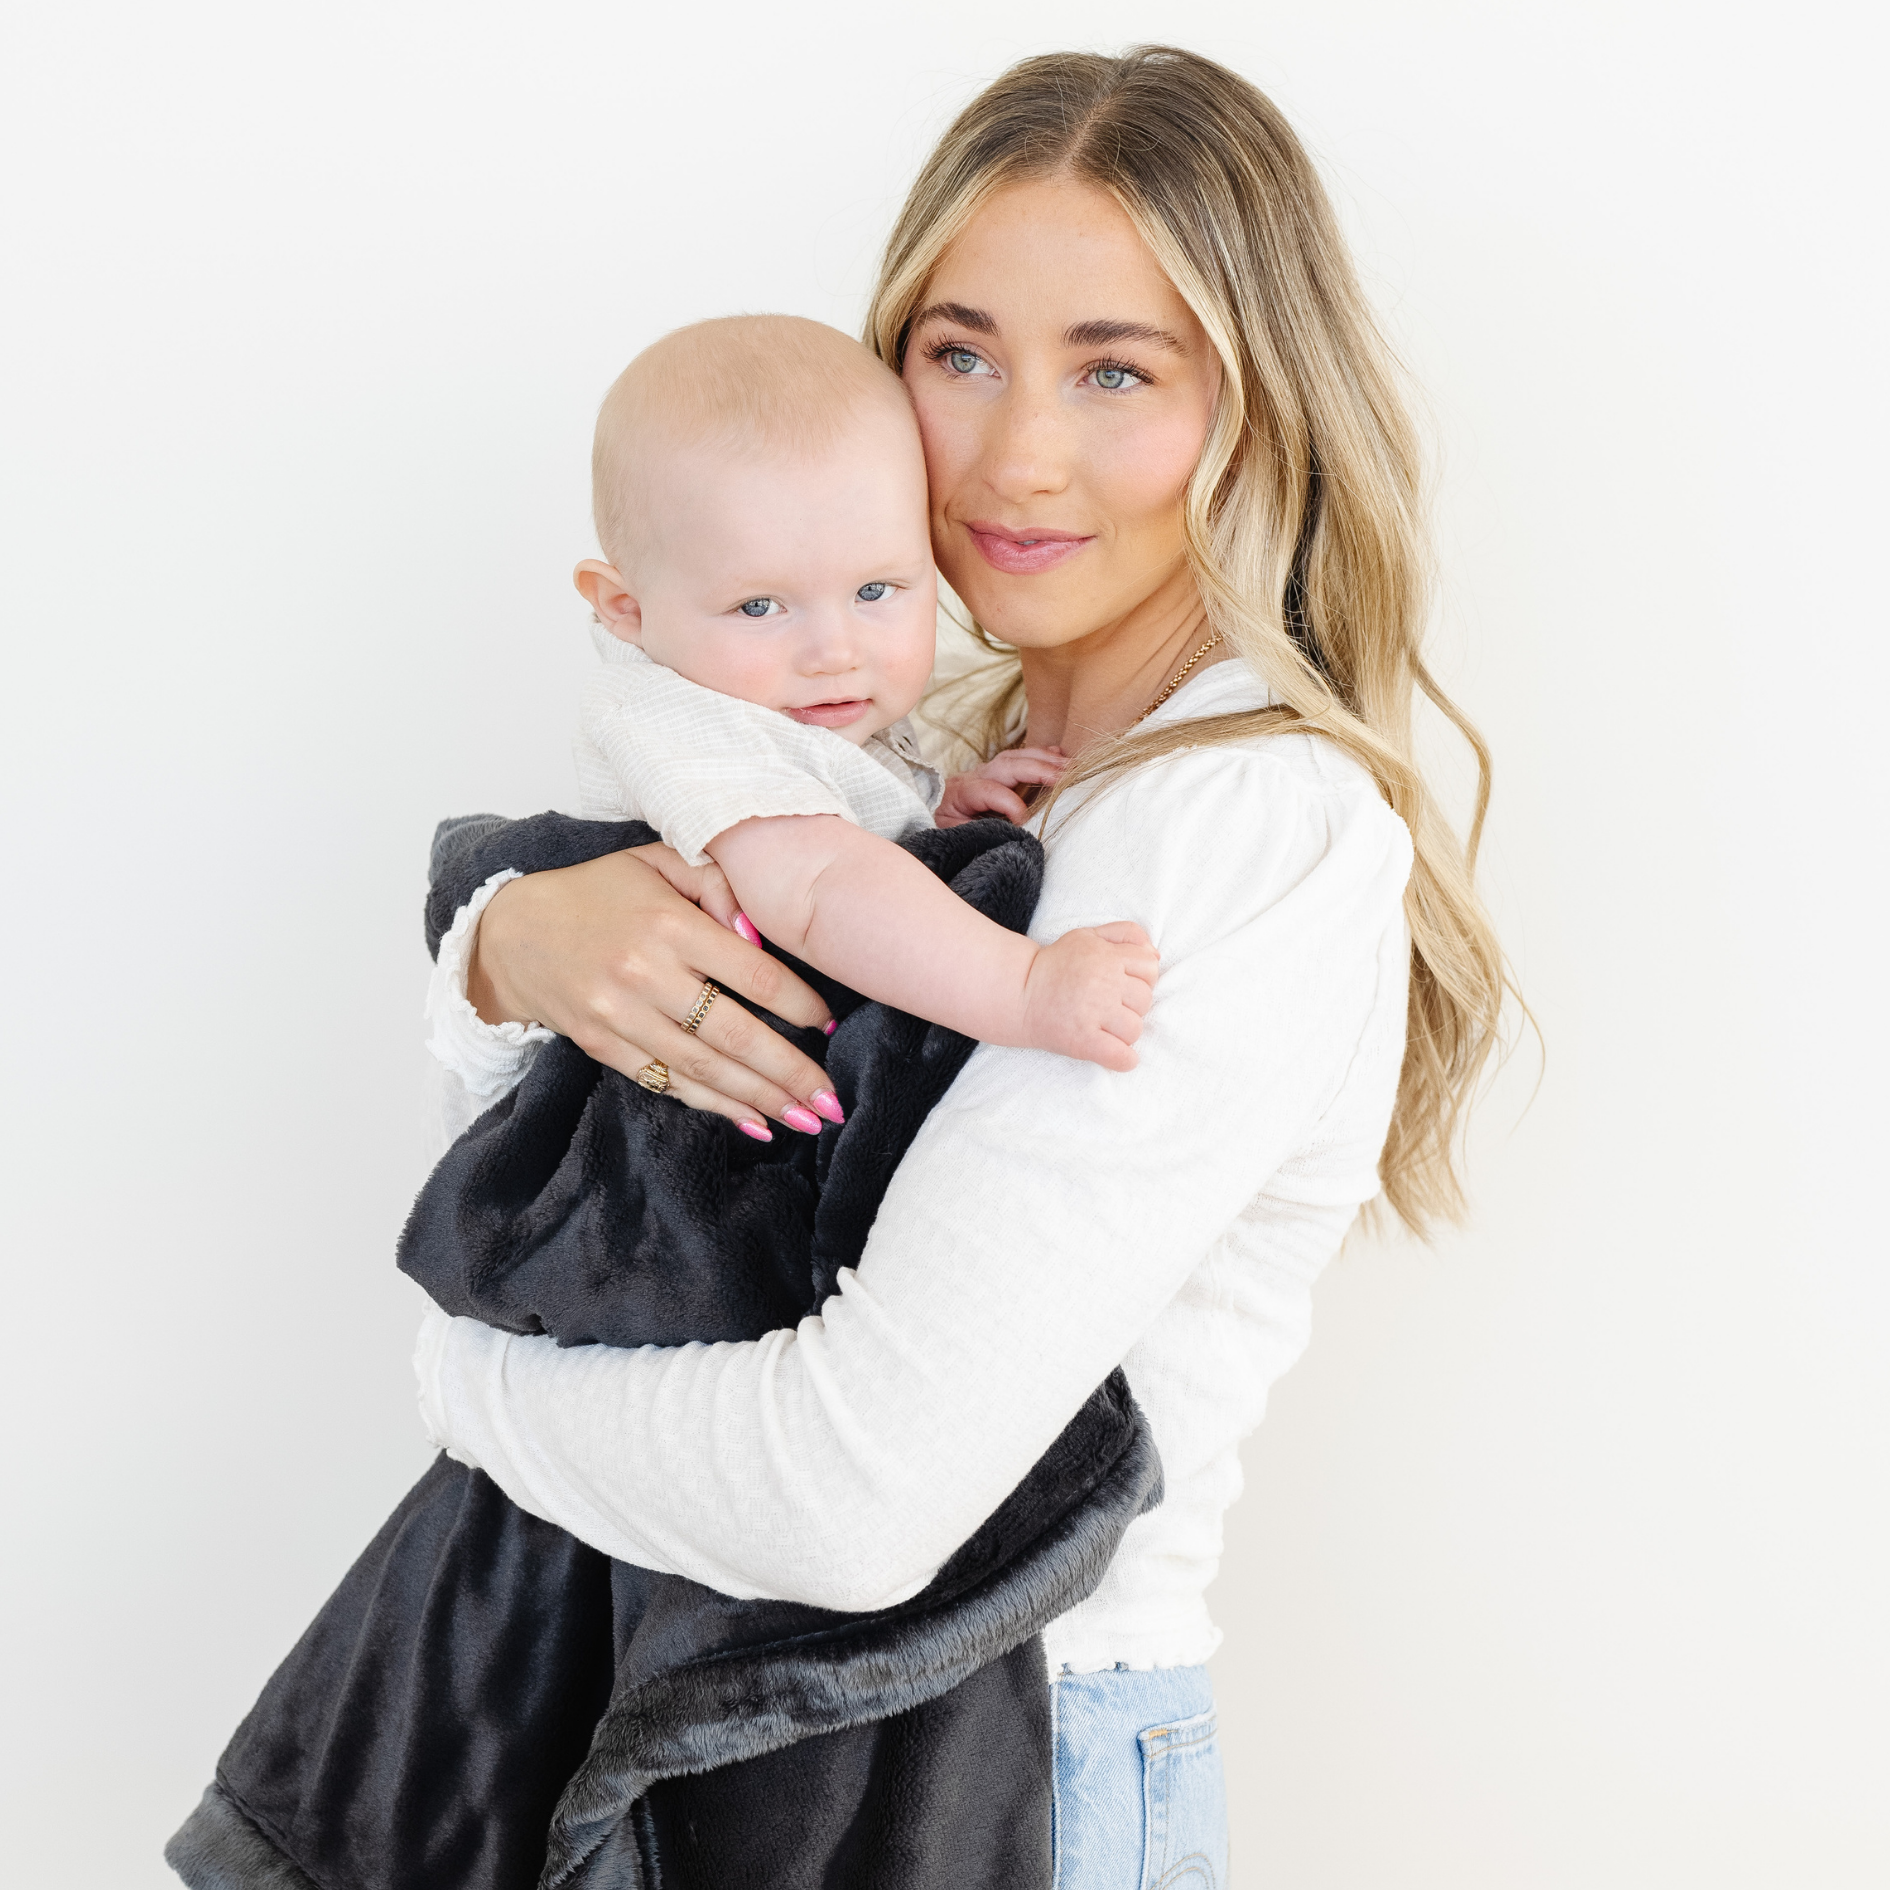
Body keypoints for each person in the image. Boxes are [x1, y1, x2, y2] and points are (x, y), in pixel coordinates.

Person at [421, 43, 1508, 1888]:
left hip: (1010, 1763)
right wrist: (511, 953)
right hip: (803, 1754)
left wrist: (464, 1390)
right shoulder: (923, 763)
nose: (1015, 455)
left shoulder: (1241, 817)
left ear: (1259, 407)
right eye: (962, 354)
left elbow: (852, 1497)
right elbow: (612, 1168)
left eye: (1115, 369)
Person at [566, 311, 1157, 1110]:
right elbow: (819, 889)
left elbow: (830, 821)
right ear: (626, 609)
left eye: (875, 590)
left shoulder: (787, 703)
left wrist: (927, 804)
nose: (834, 652)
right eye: (759, 606)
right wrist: (1026, 987)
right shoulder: (678, 720)